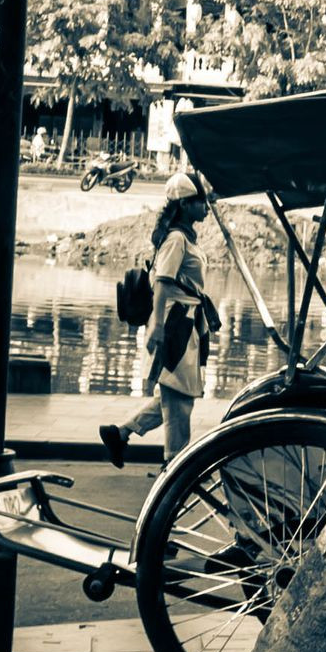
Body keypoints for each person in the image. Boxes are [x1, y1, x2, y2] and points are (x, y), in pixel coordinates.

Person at [100, 187, 216, 471]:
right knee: (179, 400)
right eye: (201, 201)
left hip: (185, 322)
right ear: (185, 204)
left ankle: (120, 433)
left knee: (174, 394)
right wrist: (158, 325)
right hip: (176, 324)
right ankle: (174, 466)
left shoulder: (184, 237)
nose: (207, 207)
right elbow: (162, 282)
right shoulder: (176, 239)